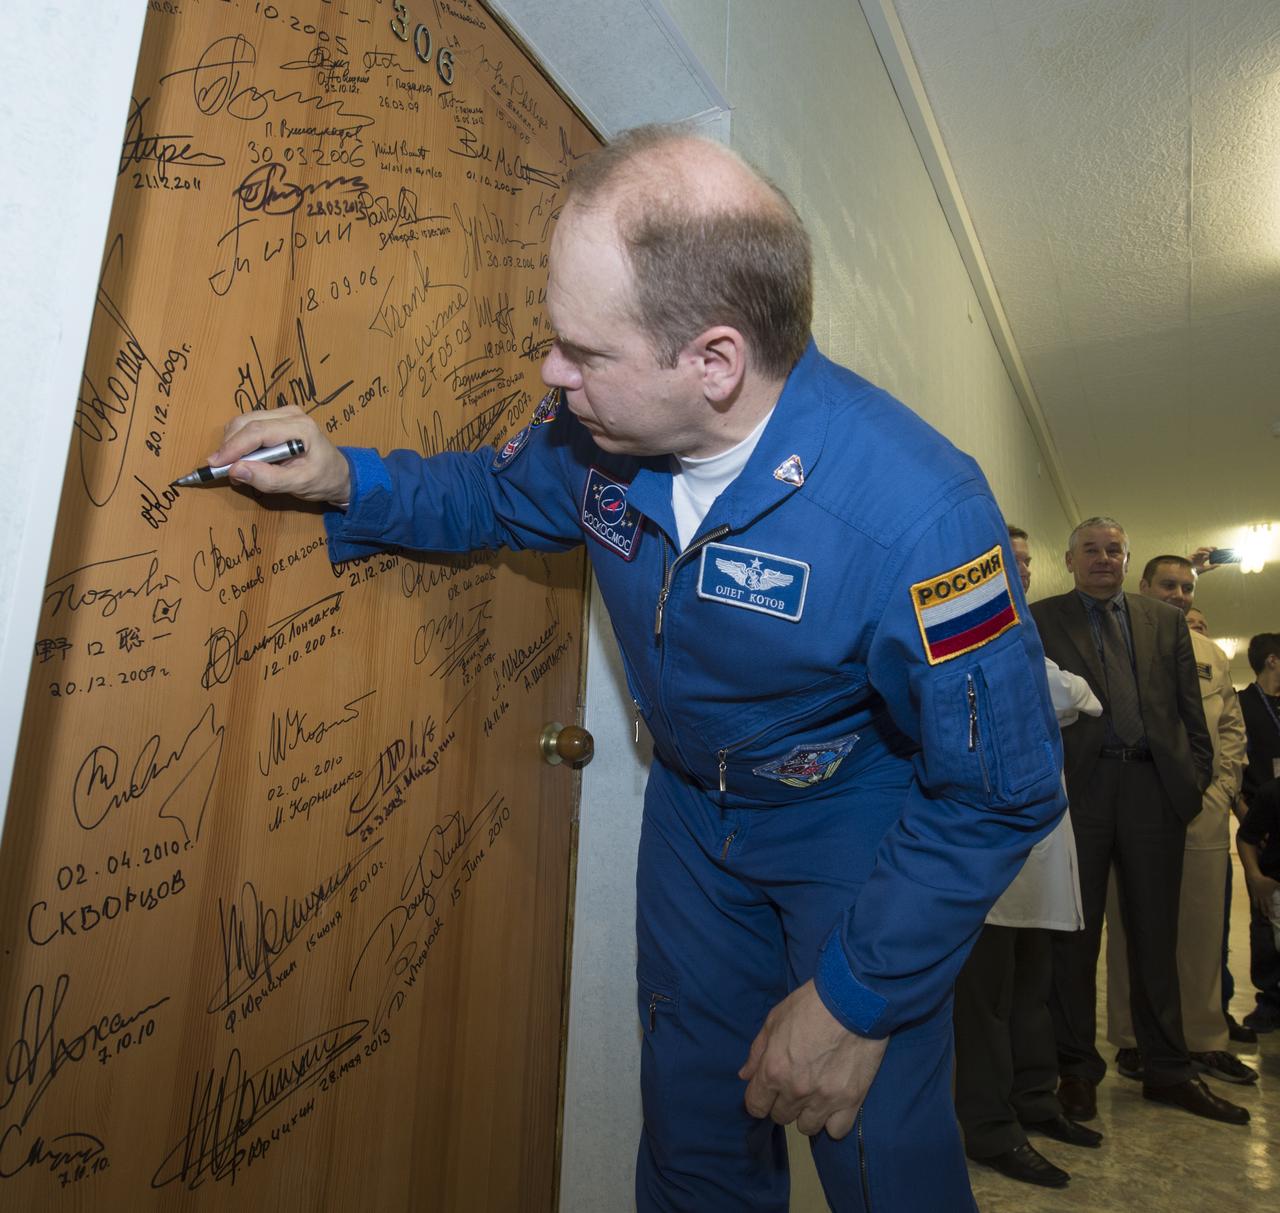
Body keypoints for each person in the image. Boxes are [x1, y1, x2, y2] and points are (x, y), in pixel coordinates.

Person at [207, 125, 1067, 1213]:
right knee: (695, 1134)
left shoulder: (919, 515)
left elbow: (999, 792)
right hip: (692, 824)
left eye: (582, 351)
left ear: (711, 361)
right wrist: (345, 479)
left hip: (855, 822)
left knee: (874, 1149)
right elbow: (488, 492)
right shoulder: (593, 436)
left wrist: (852, 1001)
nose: (548, 373)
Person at [1028, 519, 1248, 1126]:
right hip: (1082, 793)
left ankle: (1168, 1070)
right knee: (1074, 941)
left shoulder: (1165, 622)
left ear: (1128, 561)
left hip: (1155, 791)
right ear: (1070, 560)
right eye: (1091, 550)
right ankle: (1076, 1071)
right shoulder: (1041, 620)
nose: (1103, 559)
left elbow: (1187, 713)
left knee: (1158, 937)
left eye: (1114, 550)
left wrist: (1191, 779)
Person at [953, 526, 1103, 1190]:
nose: (1023, 571)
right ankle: (989, 1127)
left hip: (1041, 844)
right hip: (986, 843)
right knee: (985, 999)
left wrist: (1056, 693)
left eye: (1027, 561)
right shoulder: (966, 628)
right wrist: (1056, 693)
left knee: (1033, 990)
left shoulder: (1024, 634)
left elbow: (1081, 697)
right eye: (1008, 561)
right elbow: (1069, 695)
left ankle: (1036, 1102)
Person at [1104, 558, 1255, 1085]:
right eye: (1168, 585)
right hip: (1139, 807)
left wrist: (1222, 791)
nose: (1179, 594)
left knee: (1200, 930)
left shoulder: (1212, 656)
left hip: (1202, 811)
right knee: (1130, 925)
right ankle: (1131, 1039)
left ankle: (1204, 1038)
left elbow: (1232, 732)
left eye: (1187, 587)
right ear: (1143, 588)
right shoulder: (1119, 647)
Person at [1237, 633, 1280, 1033]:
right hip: (1261, 821)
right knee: (1265, 916)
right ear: (1272, 661)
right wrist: (1248, 815)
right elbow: (1234, 766)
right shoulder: (1243, 703)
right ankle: (1270, 999)